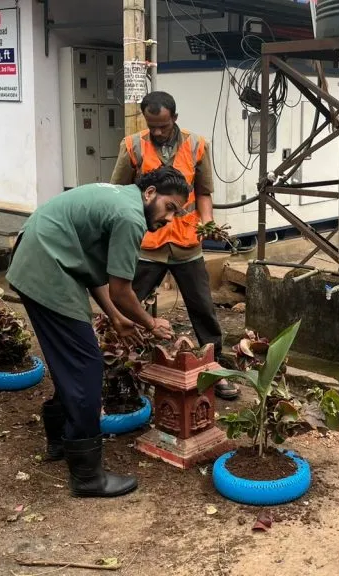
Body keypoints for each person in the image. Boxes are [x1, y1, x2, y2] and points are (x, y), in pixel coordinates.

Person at [6, 166, 188, 498]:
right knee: (85, 366)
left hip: (38, 258)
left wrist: (116, 318)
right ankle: (88, 476)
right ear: (150, 193)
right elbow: (121, 290)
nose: (170, 219)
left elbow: (96, 272)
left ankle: (60, 441)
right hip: (46, 268)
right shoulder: (131, 217)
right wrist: (149, 322)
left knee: (72, 362)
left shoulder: (120, 201)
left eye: (176, 213)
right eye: (169, 208)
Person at [110, 91, 238, 400]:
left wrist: (206, 222)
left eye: (163, 126)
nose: (156, 132)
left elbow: (204, 191)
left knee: (203, 308)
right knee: (126, 303)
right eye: (151, 125)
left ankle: (215, 367)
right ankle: (120, 365)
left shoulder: (197, 145)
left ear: (175, 119)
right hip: (148, 242)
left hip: (186, 241)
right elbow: (117, 192)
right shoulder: (132, 146)